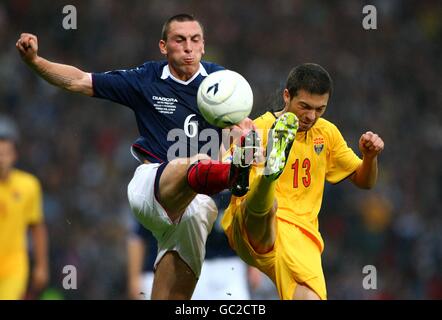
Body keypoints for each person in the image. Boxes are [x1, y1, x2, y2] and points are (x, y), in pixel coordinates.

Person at [16, 14, 253, 299]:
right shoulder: (145, 78)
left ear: (203, 46)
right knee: (198, 161)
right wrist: (35, 62)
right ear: (163, 46)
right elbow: (79, 80)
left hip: (196, 205)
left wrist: (245, 137)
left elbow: (241, 125)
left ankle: (231, 173)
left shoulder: (221, 82)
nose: (189, 47)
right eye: (180, 40)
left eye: (195, 40)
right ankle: (230, 174)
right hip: (152, 187)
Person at [221, 63, 385, 300]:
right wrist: (240, 157)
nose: (311, 116)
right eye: (305, 106)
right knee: (269, 207)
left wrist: (370, 157)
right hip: (252, 226)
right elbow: (224, 172)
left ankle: (269, 173)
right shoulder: (259, 128)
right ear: (287, 95)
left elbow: (364, 181)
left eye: (320, 109)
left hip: (302, 236)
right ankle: (269, 176)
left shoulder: (327, 134)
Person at [0, 116, 49, 299]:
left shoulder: (29, 186)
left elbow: (37, 227)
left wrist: (41, 266)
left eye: (5, 153)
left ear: (14, 155)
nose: (1, 158)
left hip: (14, 266)